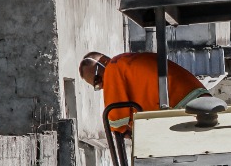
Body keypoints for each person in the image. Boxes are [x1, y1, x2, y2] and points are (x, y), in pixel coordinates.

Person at [79, 51, 210, 132]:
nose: (101, 85)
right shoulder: (127, 64)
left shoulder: (114, 67)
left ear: (104, 61)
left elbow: (117, 121)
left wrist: (124, 131)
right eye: (96, 86)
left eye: (97, 79)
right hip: (194, 96)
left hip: (181, 101)